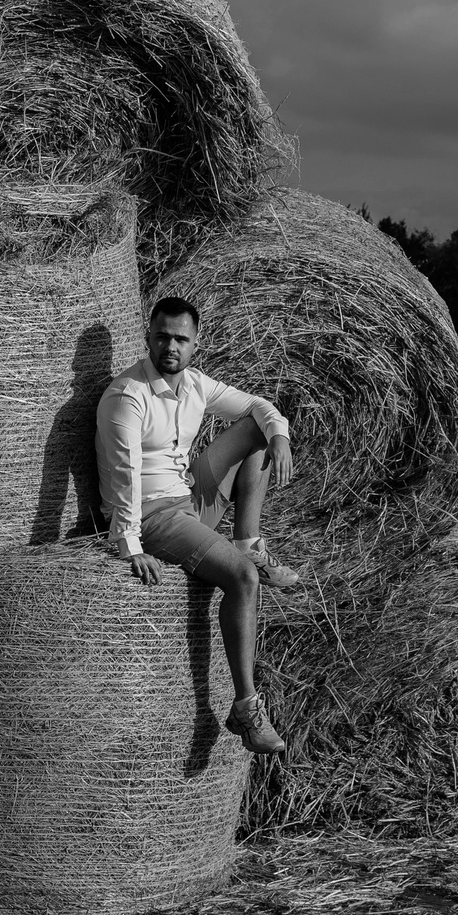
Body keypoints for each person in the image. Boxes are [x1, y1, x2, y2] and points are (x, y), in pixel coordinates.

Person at [95, 295, 301, 755]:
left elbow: (260, 406)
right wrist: (130, 544)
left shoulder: (194, 384)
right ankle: (246, 707)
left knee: (257, 430)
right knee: (243, 580)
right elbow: (125, 475)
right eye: (162, 337)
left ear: (195, 343)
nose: (170, 347)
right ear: (148, 337)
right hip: (154, 514)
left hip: (188, 498)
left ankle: (248, 542)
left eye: (180, 339)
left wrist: (280, 437)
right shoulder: (128, 396)